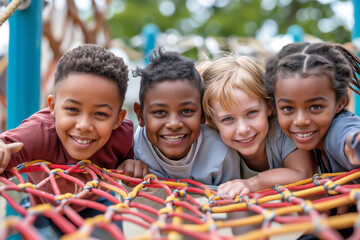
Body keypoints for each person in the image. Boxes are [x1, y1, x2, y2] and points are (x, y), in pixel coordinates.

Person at [0, 44, 148, 238]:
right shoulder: (40, 132)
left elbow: (147, 162)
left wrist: (134, 163)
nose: (84, 125)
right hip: (45, 207)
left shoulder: (124, 137)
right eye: (72, 109)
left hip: (97, 203)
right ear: (53, 107)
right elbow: (7, 146)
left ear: (118, 119)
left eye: (101, 114)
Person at [263, 42, 360, 239]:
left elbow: (352, 142)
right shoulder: (310, 139)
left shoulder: (337, 130)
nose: (300, 121)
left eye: (315, 107)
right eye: (288, 109)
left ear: (341, 102)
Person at [200, 55, 316, 198]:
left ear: (269, 106)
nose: (243, 129)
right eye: (228, 119)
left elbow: (303, 173)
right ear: (213, 122)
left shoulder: (283, 132)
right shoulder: (214, 145)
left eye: (251, 113)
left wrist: (252, 184)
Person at [132, 47, 241, 186]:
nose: (174, 124)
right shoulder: (137, 146)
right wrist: (129, 164)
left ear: (203, 113)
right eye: (160, 112)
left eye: (186, 111)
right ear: (140, 116)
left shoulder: (220, 153)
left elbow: (233, 202)